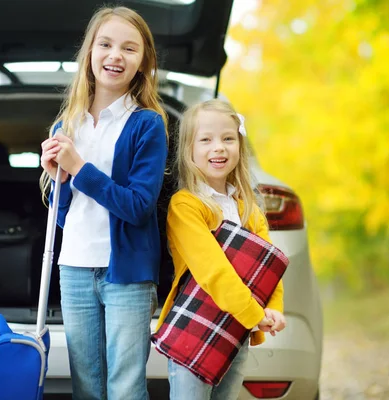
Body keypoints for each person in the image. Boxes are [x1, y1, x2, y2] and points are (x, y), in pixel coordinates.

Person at [38, 6, 167, 400]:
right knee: (87, 387)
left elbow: (138, 207)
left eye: (129, 48)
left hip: (126, 271)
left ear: (143, 62)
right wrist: (58, 179)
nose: (116, 56)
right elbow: (65, 215)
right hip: (74, 267)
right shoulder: (67, 125)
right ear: (89, 53)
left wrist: (80, 167)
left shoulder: (147, 123)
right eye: (106, 44)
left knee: (125, 386)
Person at [155, 99, 286, 400]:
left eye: (228, 139)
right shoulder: (187, 205)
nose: (219, 147)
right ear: (189, 151)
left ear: (240, 147)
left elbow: (270, 266)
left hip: (236, 331)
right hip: (194, 327)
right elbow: (213, 271)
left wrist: (273, 308)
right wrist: (255, 314)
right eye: (206, 140)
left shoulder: (248, 208)